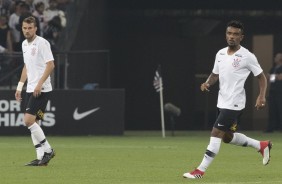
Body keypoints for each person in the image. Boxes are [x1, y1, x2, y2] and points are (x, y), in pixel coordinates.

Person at [183, 20, 271, 179]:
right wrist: (207, 83)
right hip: (222, 101)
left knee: (216, 132)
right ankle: (261, 145)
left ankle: (200, 171)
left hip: (235, 103)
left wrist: (261, 95)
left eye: (236, 34)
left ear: (241, 37)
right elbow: (215, 74)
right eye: (229, 33)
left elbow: (261, 77)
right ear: (226, 35)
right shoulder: (220, 53)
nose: (232, 37)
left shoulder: (247, 56)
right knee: (227, 137)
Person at [15, 16, 55, 166]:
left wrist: (39, 84)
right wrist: (20, 86)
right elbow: (26, 67)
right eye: (24, 28)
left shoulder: (42, 43)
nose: (27, 30)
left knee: (28, 121)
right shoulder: (24, 44)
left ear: (35, 28)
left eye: (30, 28)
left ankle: (48, 150)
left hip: (41, 89)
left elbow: (50, 65)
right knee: (35, 122)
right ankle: (40, 158)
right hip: (30, 88)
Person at [265, 52, 282, 132]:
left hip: (280, 93)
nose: (275, 58)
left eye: (277, 57)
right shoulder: (273, 68)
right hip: (272, 93)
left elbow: (280, 77)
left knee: (280, 110)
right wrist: (275, 77)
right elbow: (268, 78)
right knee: (272, 111)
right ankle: (270, 128)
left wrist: (273, 77)